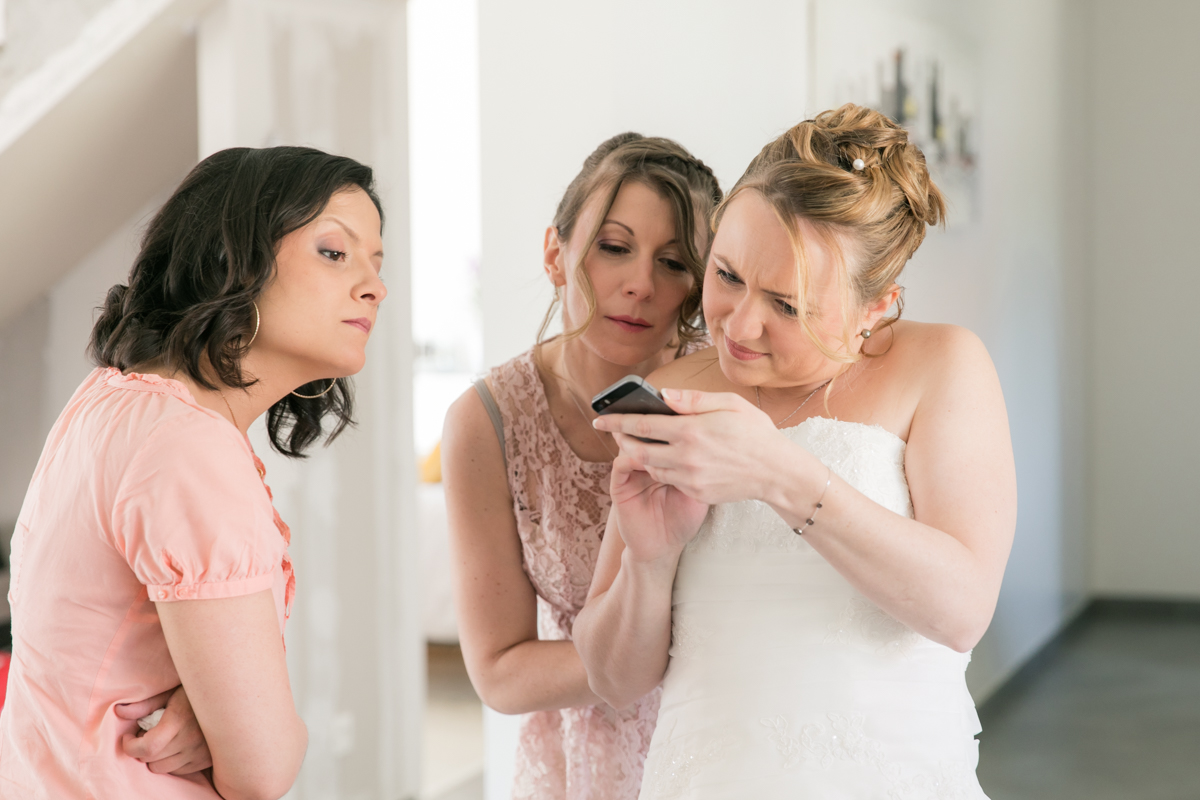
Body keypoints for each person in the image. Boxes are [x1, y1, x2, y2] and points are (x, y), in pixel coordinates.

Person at [574, 105, 1017, 798]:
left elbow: (962, 613)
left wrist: (780, 474)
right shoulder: (672, 389)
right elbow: (613, 680)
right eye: (727, 276)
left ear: (877, 307)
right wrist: (649, 561)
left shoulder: (942, 366)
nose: (740, 325)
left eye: (788, 305)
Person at [0, 146, 387, 799]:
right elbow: (263, 770)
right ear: (231, 260)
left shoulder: (112, 396)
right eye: (334, 252)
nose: (375, 286)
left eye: (378, 262)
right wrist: (250, 729)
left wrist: (213, 711)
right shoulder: (189, 448)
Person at [441, 133, 722, 799]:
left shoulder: (725, 396)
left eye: (674, 262)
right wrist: (630, 659)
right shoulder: (487, 420)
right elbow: (500, 672)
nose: (641, 284)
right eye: (614, 247)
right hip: (590, 767)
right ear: (555, 253)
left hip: (722, 742)